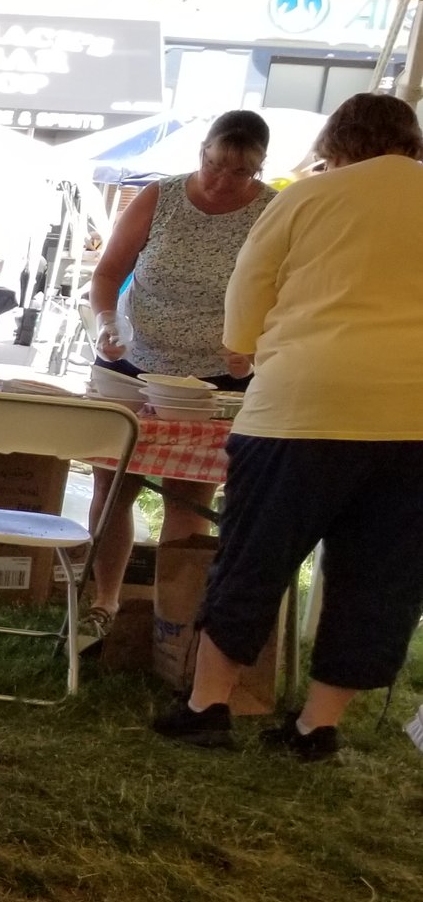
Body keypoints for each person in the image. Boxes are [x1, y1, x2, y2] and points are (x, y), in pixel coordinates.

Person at [153, 92, 423, 760]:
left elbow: (253, 278)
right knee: (381, 575)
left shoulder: (307, 195)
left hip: (304, 402)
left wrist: (241, 346)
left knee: (255, 555)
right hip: (414, 417)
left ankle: (207, 704)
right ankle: (316, 725)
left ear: (338, 144)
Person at [79, 110, 274, 647]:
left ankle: (174, 618)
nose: (221, 181)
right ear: (201, 153)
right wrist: (106, 324)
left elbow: (287, 293)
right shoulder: (159, 198)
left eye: (241, 173)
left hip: (216, 376)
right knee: (112, 482)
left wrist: (254, 345)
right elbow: (107, 274)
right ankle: (104, 603)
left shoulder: (273, 210)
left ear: (259, 169)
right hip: (130, 360)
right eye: (214, 165)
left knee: (188, 494)